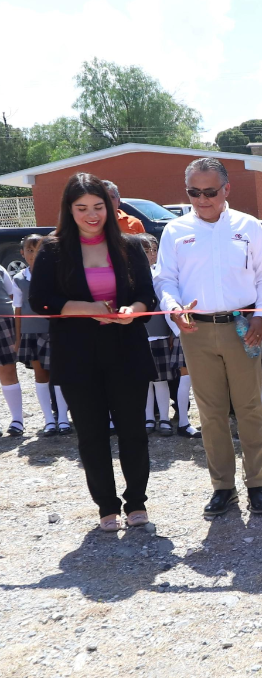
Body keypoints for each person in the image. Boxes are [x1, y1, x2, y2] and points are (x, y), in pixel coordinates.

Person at [28, 173, 158, 531]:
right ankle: (106, 506)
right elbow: (39, 301)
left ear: (111, 206)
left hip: (125, 351)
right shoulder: (53, 250)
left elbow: (148, 297)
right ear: (68, 210)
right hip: (78, 356)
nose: (91, 215)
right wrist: (80, 307)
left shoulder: (131, 247)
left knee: (133, 431)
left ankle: (136, 503)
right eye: (82, 208)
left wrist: (133, 310)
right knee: (91, 434)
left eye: (98, 207)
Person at [155, 157, 262, 518]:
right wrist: (174, 308)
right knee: (211, 413)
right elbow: (165, 280)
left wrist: (261, 317)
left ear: (226, 189)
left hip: (243, 329)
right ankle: (223, 486)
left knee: (251, 409)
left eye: (210, 192)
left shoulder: (248, 226)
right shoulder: (175, 231)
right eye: (194, 192)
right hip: (197, 331)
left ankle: (257, 485)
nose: (202, 199)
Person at [13, 234, 71, 436]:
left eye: (38, 250)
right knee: (40, 375)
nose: (33, 255)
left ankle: (63, 418)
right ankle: (48, 420)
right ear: (22, 253)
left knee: (58, 374)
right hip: (30, 332)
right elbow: (17, 310)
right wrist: (18, 338)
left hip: (52, 331)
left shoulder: (54, 276)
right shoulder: (19, 279)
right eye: (29, 250)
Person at [138, 234, 175, 436]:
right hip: (139, 336)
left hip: (160, 335)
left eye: (153, 250)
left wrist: (171, 333)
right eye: (144, 250)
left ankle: (165, 418)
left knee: (161, 380)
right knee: (144, 381)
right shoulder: (131, 276)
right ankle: (148, 418)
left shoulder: (161, 276)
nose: (150, 254)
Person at [1, 258, 29, 436]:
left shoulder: (1, 270)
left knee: (8, 370)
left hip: (3, 321)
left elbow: (12, 295)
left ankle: (17, 420)